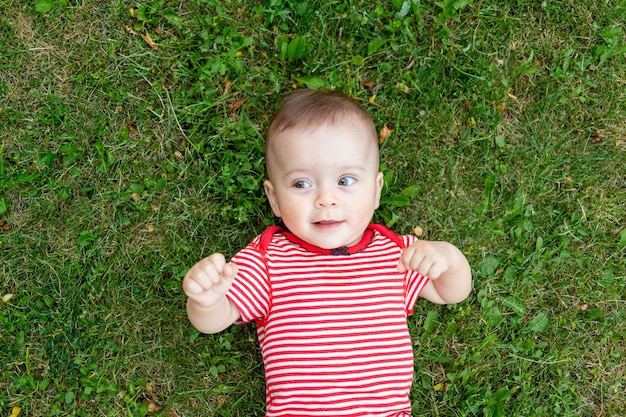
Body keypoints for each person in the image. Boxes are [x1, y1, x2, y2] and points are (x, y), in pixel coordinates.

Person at [182, 88, 472, 417]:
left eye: (345, 180)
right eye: (302, 184)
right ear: (274, 199)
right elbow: (215, 321)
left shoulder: (396, 253)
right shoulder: (269, 260)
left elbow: (452, 293)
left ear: (376, 191)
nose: (326, 199)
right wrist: (207, 300)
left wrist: (448, 258)